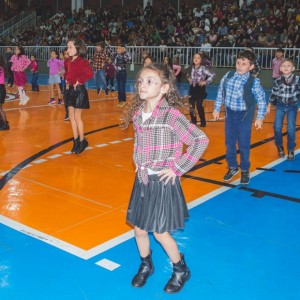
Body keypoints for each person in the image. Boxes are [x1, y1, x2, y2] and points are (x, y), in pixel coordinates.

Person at [120, 64, 209, 294]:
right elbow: (139, 142)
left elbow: (200, 140)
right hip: (143, 179)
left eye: (150, 81)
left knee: (159, 232)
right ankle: (146, 264)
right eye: (141, 80)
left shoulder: (171, 116)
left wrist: (178, 167)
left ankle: (180, 268)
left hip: (162, 181)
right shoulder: (139, 114)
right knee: (139, 229)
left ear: (164, 88)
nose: (142, 85)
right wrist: (137, 160)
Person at [213, 50, 267, 185]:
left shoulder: (253, 81)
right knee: (229, 143)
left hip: (244, 117)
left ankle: (244, 169)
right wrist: (217, 108)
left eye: (244, 64)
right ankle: (232, 167)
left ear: (251, 66)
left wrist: (259, 117)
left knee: (243, 145)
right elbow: (221, 92)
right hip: (230, 114)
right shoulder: (228, 75)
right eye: (238, 62)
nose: (240, 66)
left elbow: (261, 100)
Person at [65, 38, 93, 154]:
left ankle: (82, 141)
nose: (68, 49)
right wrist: (67, 80)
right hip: (70, 90)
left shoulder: (83, 62)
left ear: (78, 48)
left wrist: (79, 81)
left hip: (79, 91)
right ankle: (75, 140)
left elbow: (89, 74)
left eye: (70, 47)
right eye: (68, 47)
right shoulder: (67, 61)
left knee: (77, 117)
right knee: (71, 116)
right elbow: (68, 72)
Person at [268, 58, 300, 160]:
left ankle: (290, 149)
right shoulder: (277, 80)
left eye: (288, 65)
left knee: (291, 128)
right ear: (280, 69)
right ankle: (279, 145)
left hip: (292, 106)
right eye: (284, 66)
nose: (286, 67)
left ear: (293, 68)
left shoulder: (298, 79)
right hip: (281, 106)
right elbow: (274, 93)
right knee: (277, 127)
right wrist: (269, 104)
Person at [186, 52, 215, 127]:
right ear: (192, 59)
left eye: (198, 58)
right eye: (194, 58)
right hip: (192, 88)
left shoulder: (203, 68)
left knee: (199, 105)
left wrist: (205, 81)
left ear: (201, 60)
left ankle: (203, 121)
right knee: (191, 105)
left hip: (200, 88)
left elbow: (213, 75)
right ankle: (193, 120)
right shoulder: (190, 67)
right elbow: (187, 74)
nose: (196, 59)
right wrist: (189, 78)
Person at [106, 41, 131, 107]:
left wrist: (124, 52)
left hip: (123, 73)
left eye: (119, 48)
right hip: (117, 73)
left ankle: (124, 101)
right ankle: (120, 101)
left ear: (123, 49)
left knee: (122, 87)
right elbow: (110, 51)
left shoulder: (125, 54)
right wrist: (108, 44)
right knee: (119, 88)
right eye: (117, 48)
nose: (117, 49)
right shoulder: (116, 55)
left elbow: (128, 59)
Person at [61, 48, 70, 121]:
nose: (66, 55)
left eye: (68, 53)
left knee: (68, 97)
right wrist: (62, 72)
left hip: (70, 82)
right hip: (66, 81)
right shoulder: (65, 61)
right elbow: (66, 71)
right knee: (66, 97)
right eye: (65, 54)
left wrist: (68, 82)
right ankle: (68, 112)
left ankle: (70, 113)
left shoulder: (71, 61)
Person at [0, 55, 9, 130]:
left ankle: (5, 124)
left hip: (0, 89)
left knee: (0, 109)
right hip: (2, 88)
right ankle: (3, 122)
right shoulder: (2, 67)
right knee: (0, 108)